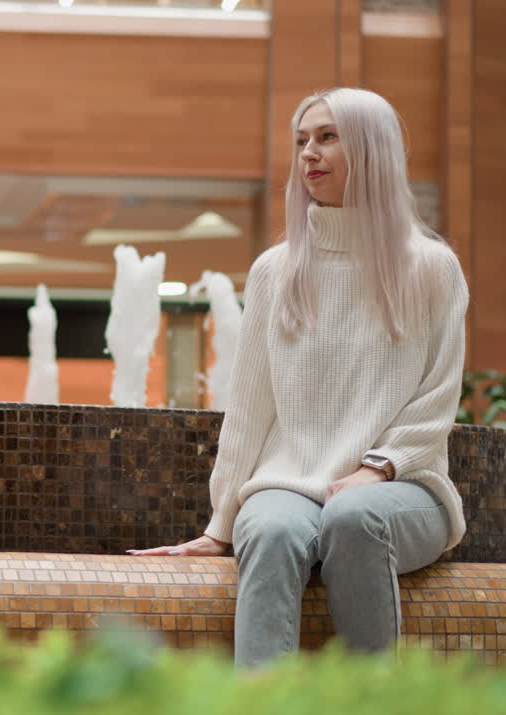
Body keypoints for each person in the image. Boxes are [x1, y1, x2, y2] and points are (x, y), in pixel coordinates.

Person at [127, 87, 469, 668]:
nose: (308, 152)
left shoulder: (432, 267)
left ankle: (374, 704)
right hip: (290, 486)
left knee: (355, 516)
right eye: (302, 140)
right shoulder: (275, 271)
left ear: (374, 148)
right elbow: (250, 410)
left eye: (328, 137)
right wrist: (221, 524)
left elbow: (437, 400)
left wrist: (375, 468)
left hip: (406, 490)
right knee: (274, 528)